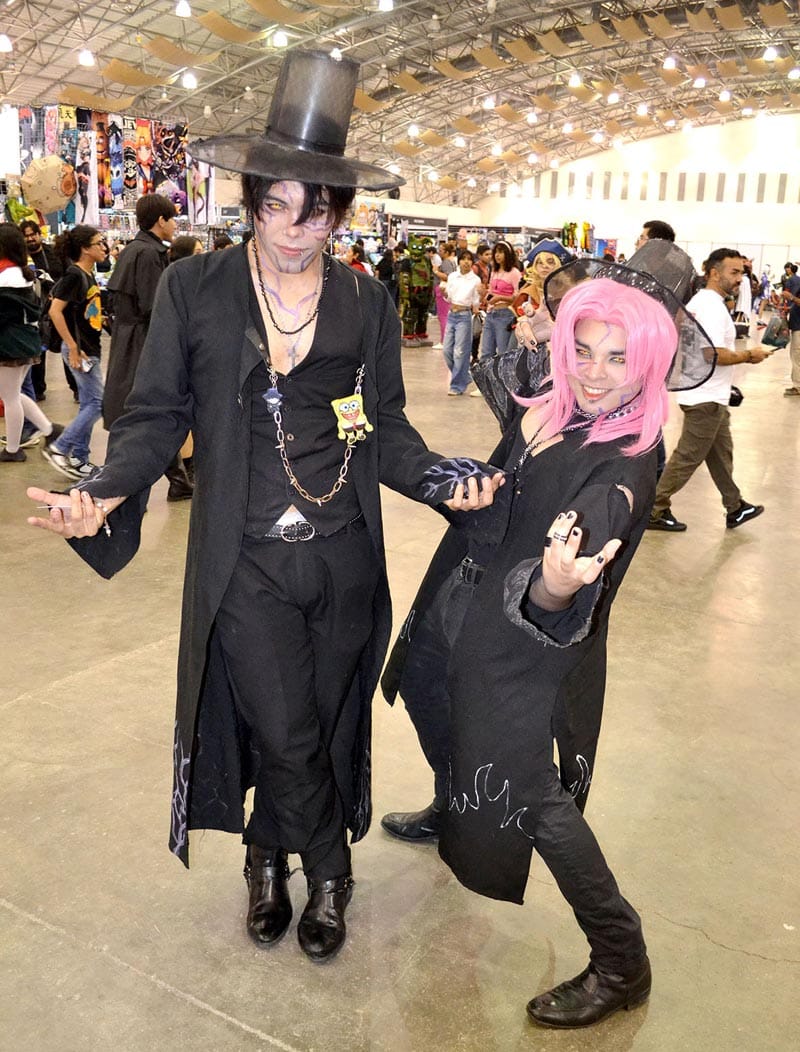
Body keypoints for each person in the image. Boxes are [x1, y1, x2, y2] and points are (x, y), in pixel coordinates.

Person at [26, 49, 501, 966]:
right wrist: (103, 490)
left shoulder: (365, 301)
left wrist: (446, 481)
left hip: (344, 553)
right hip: (243, 556)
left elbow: (386, 430)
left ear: (338, 212)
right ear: (251, 201)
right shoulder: (195, 288)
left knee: (320, 721)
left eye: (314, 211)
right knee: (283, 725)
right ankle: (329, 871)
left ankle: (263, 858)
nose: (293, 229)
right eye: (275, 206)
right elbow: (155, 416)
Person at [380, 258, 714, 1028]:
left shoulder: (628, 458)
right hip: (457, 597)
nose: (595, 373)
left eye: (618, 358)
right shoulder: (553, 404)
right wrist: (476, 490)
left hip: (520, 642)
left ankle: (621, 956)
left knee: (530, 792)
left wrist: (558, 583)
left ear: (651, 362)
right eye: (583, 350)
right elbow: (515, 460)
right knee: (428, 698)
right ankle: (452, 802)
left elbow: (589, 533)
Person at [648, 248, 768, 532]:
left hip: (709, 393)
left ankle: (735, 506)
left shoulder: (699, 302)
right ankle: (653, 509)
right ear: (714, 273)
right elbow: (712, 354)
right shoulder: (712, 306)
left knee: (721, 454)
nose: (739, 279)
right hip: (705, 398)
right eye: (734, 272)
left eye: (742, 273)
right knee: (687, 458)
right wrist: (749, 355)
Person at [104, 194, 192, 502]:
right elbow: (155, 305)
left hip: (129, 338)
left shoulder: (135, 249)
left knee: (137, 407)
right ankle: (126, 482)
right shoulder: (149, 253)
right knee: (147, 407)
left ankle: (177, 479)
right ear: (161, 221)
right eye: (173, 219)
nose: (175, 225)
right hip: (142, 340)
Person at [41, 225, 106, 480]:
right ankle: (60, 447)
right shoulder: (74, 275)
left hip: (90, 346)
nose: (104, 247)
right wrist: (73, 347)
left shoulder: (87, 275)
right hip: (80, 349)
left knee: (90, 403)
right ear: (85, 248)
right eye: (99, 243)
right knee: (97, 403)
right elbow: (55, 311)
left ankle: (79, 458)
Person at [0, 224, 63, 462]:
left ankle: (13, 449)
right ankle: (49, 430)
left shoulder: (8, 276)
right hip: (22, 342)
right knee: (13, 394)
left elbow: (4, 313)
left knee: (10, 397)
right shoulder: (19, 272)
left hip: (11, 344)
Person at [441, 249, 481, 396]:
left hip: (464, 315)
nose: (466, 262)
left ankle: (457, 385)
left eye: (469, 259)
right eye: (463, 259)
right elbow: (449, 297)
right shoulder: (453, 276)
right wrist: (445, 293)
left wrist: (481, 297)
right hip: (452, 314)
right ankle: (464, 376)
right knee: (447, 350)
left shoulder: (475, 280)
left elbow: (476, 301)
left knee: (459, 352)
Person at [477, 240, 522, 360]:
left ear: (508, 254)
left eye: (501, 252)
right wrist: (485, 294)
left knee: (503, 353)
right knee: (486, 352)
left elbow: (518, 297)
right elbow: (491, 291)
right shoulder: (494, 271)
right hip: (491, 313)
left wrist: (500, 298)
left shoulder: (514, 273)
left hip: (505, 315)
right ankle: (486, 372)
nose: (497, 255)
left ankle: (502, 372)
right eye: (496, 252)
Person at [780, 263, 800, 396]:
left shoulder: (792, 280)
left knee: (797, 356)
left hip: (799, 327)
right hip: (797, 323)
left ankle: (798, 386)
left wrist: (791, 297)